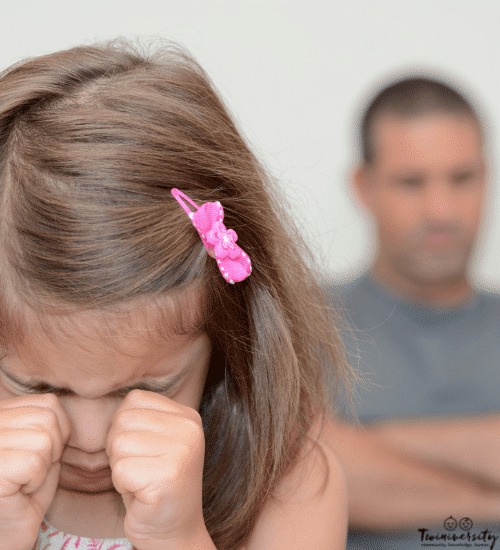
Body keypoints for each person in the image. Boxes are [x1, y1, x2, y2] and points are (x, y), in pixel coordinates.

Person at [0, 40, 349, 550]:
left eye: (146, 388)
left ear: (229, 338)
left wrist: (179, 538)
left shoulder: (290, 488)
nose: (92, 439)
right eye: (38, 387)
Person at [325, 75, 500, 549]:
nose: (441, 210)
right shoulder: (302, 325)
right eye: (411, 182)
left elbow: (324, 459)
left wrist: (362, 444)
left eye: (462, 178)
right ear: (364, 187)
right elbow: (308, 469)